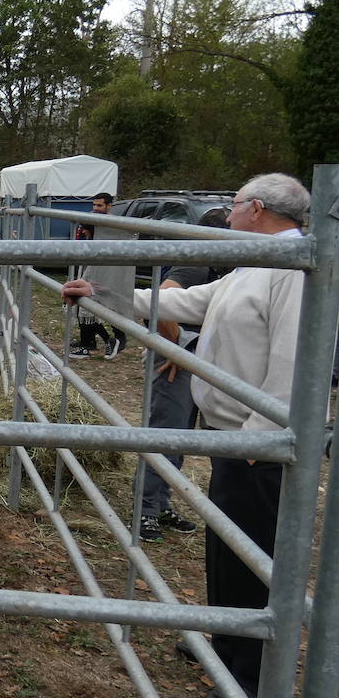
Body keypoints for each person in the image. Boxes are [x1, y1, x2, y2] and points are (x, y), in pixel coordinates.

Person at [61, 173, 308, 698]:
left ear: (258, 209)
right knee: (227, 545)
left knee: (252, 554)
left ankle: (250, 679)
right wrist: (106, 294)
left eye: (236, 204)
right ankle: (227, 641)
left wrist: (262, 437)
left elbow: (296, 362)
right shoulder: (257, 262)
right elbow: (194, 302)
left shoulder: (294, 268)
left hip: (257, 440)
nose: (227, 214)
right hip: (233, 435)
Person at [136, 206, 230, 543]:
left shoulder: (225, 266)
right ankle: (144, 511)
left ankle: (160, 504)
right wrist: (176, 346)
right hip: (180, 361)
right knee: (166, 434)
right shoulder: (198, 261)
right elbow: (164, 297)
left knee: (180, 438)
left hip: (199, 360)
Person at [69, 192, 128, 359]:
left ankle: (113, 339)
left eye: (100, 205)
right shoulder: (91, 221)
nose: (96, 209)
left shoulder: (111, 225)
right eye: (94, 205)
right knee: (86, 304)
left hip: (103, 268)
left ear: (109, 205)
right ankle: (96, 341)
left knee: (100, 303)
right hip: (89, 265)